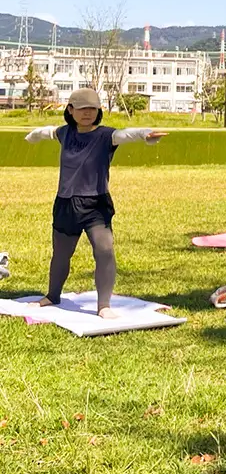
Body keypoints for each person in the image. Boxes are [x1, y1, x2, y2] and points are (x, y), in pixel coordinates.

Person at [23, 88, 166, 318]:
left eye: (92, 109)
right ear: (71, 110)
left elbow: (126, 134)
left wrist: (146, 134)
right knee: (61, 253)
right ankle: (52, 296)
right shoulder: (65, 133)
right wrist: (33, 136)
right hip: (66, 204)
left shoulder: (105, 135)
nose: (87, 113)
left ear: (98, 111)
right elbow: (46, 132)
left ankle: (104, 306)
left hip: (95, 206)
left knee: (105, 249)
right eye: (82, 109)